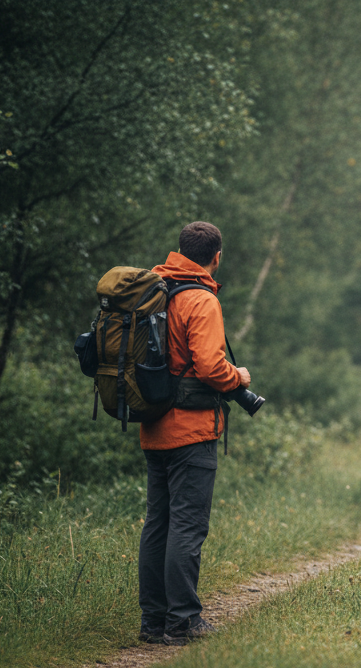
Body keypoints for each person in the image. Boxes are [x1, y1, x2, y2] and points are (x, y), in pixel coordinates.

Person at [137, 221, 250, 646]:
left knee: (158, 524)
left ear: (180, 251)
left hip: (154, 424)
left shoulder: (156, 290)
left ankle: (153, 622)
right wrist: (238, 377)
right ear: (216, 257)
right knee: (186, 526)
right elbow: (209, 366)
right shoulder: (201, 299)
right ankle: (182, 621)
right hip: (191, 430)